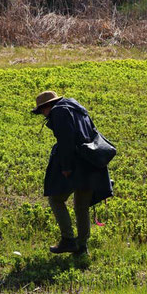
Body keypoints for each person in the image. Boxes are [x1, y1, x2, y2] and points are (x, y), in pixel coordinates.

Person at [31, 91, 113, 256]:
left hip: (77, 162)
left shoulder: (59, 112)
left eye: (41, 111)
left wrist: (66, 167)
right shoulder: (76, 107)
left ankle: (68, 240)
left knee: (56, 199)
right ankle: (82, 247)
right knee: (82, 206)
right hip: (91, 160)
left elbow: (66, 140)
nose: (43, 115)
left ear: (46, 106)